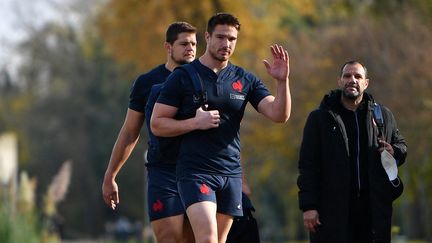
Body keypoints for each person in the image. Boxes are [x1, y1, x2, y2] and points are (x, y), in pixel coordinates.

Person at [151, 12, 291, 243]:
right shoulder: (183, 76)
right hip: (195, 172)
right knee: (207, 238)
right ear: (207, 36)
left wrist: (282, 82)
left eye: (232, 39)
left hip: (230, 173)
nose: (226, 44)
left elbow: (279, 115)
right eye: (221, 37)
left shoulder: (245, 78)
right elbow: (157, 124)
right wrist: (196, 122)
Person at [102, 22, 197, 243]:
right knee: (168, 237)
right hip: (163, 170)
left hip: (199, 170)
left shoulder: (206, 79)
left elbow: (226, 132)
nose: (190, 48)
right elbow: (129, 132)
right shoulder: (147, 83)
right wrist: (110, 175)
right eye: (184, 43)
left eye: (194, 44)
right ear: (168, 46)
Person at [297, 60, 407, 243]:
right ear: (340, 81)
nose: (352, 80)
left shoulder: (383, 116)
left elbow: (402, 146)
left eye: (358, 76)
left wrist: (393, 151)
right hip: (331, 215)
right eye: (347, 76)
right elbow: (308, 166)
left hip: (373, 215)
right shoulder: (320, 118)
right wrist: (309, 206)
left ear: (366, 83)